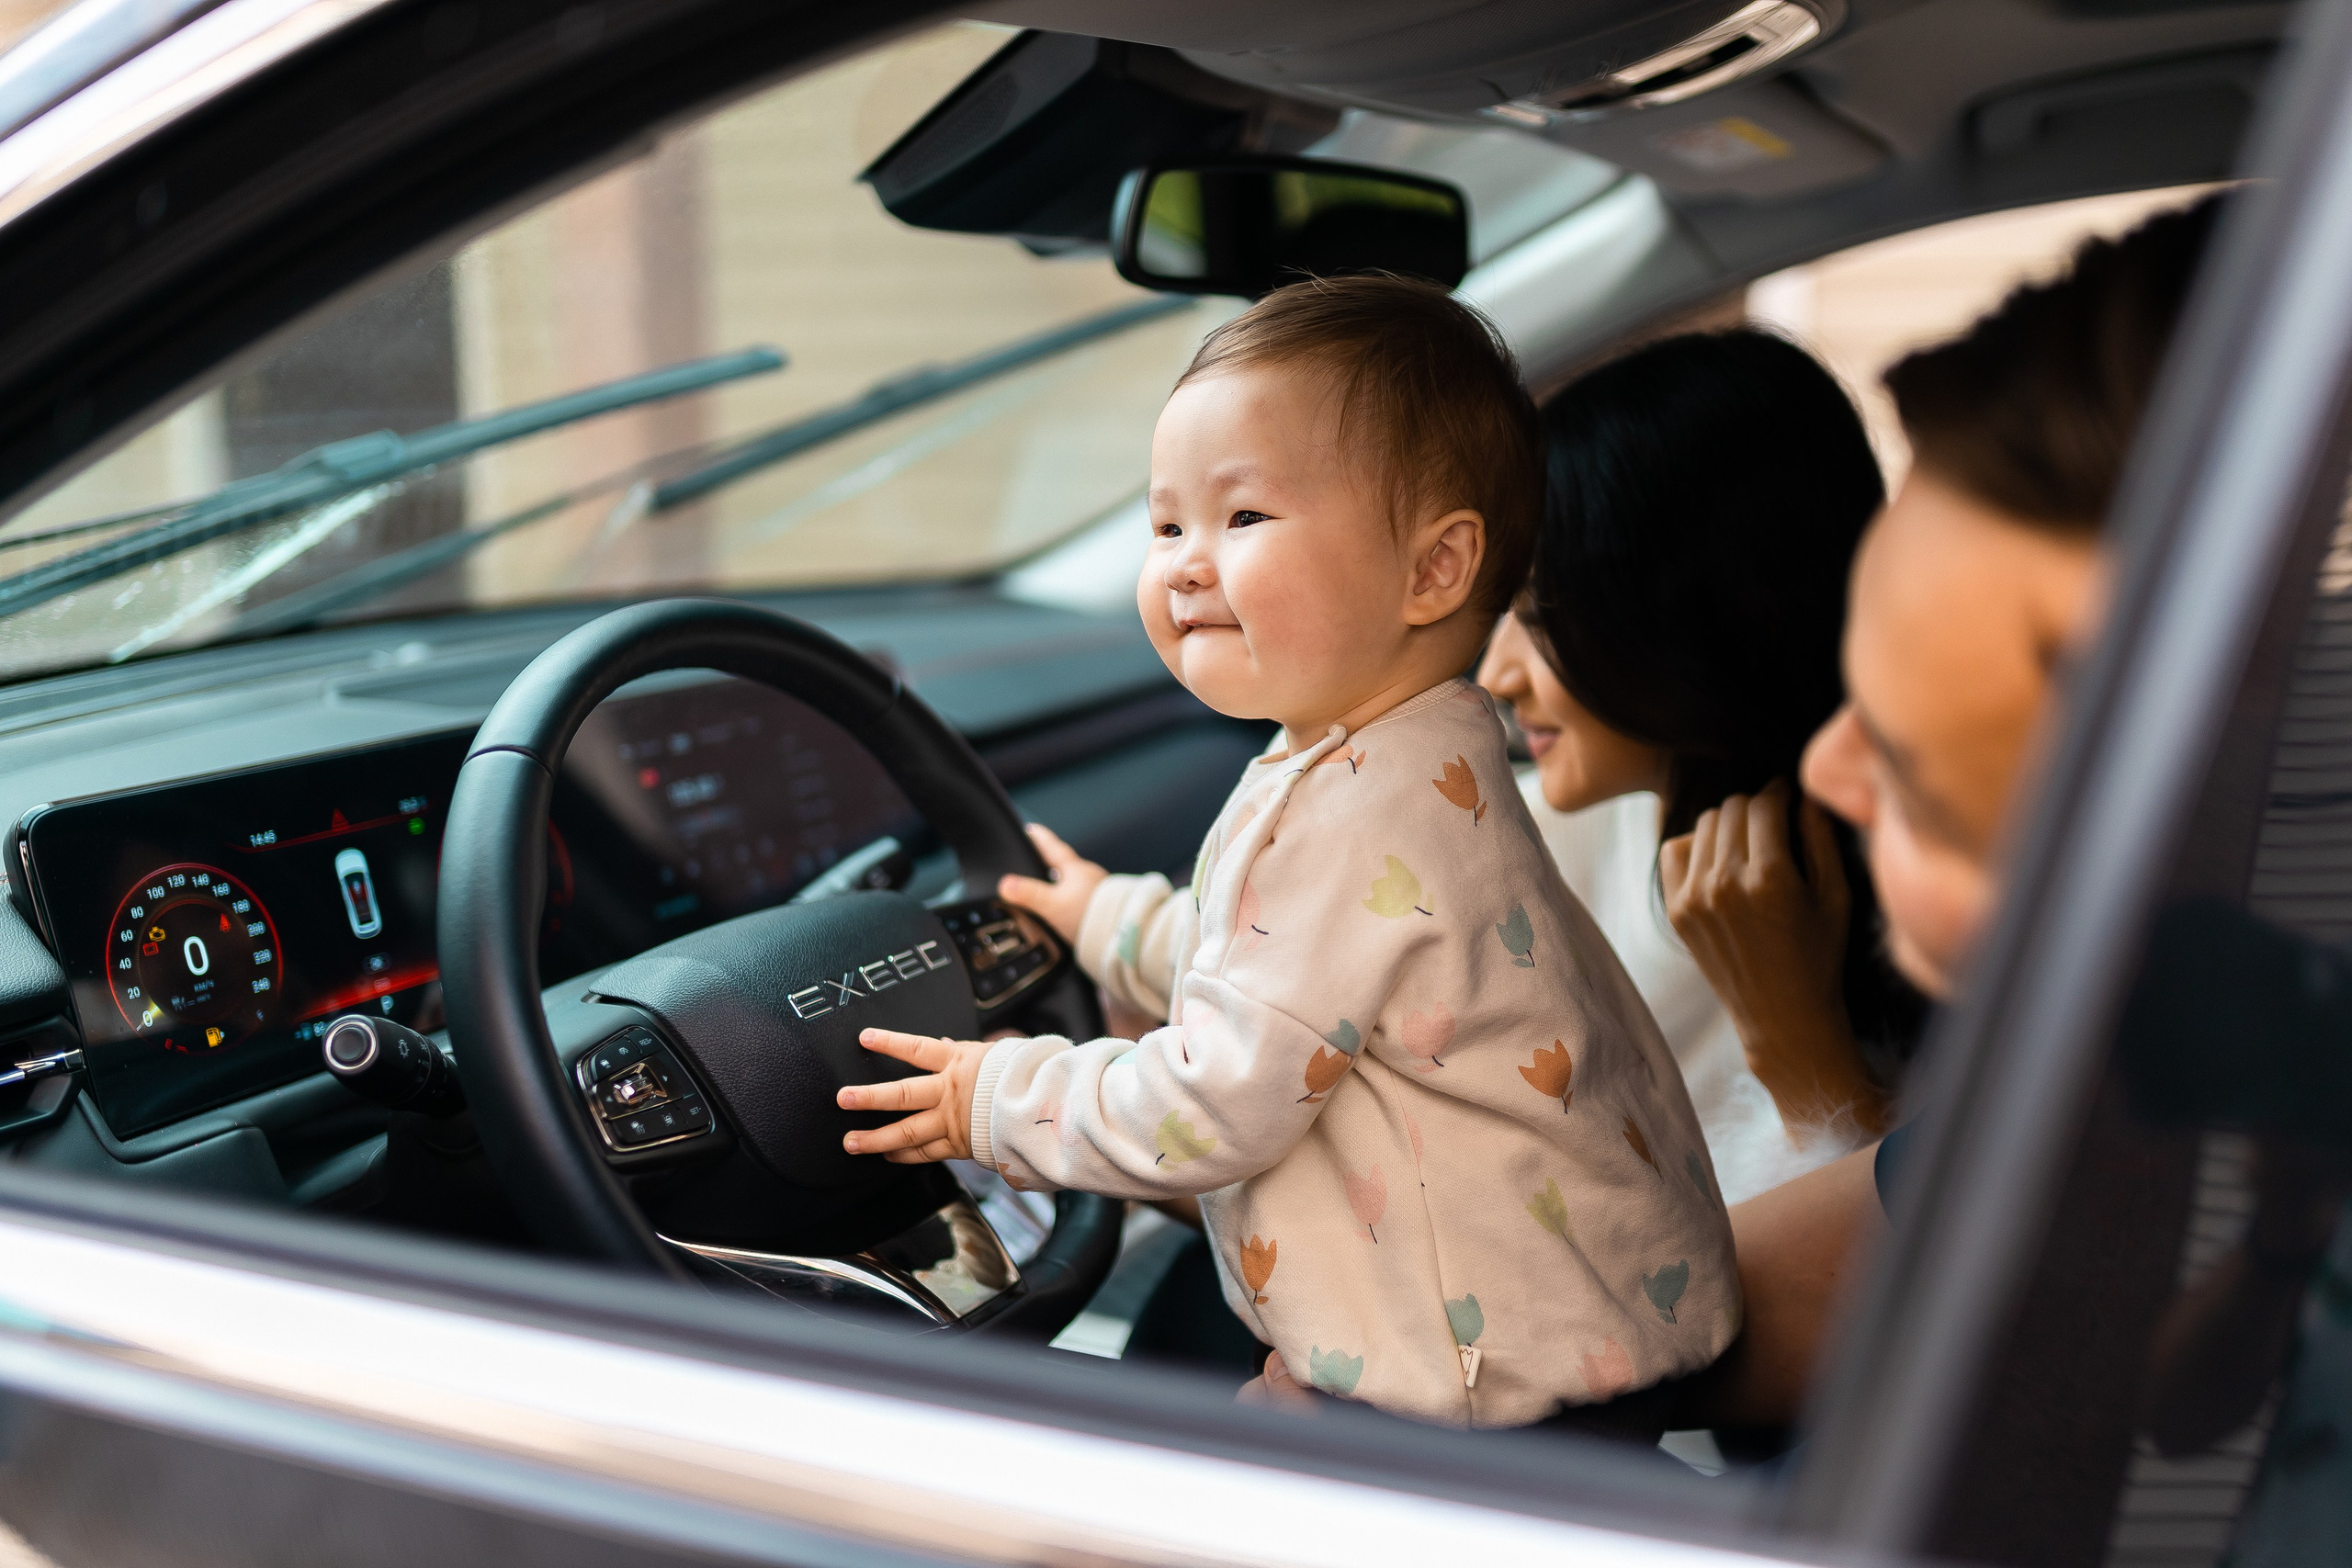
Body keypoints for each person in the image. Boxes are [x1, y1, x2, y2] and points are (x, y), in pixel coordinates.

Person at [837, 275, 1739, 1433]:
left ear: (1432, 571)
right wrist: (1112, 920)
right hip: (1567, 1329)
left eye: (1242, 518)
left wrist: (999, 1099)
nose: (1183, 564)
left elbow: (1216, 1100)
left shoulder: (1353, 810)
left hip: (1474, 1389)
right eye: (1164, 525)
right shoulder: (1414, 759)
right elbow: (1288, 975)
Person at [1684, 194, 2223, 1427]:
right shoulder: (2104, 1094)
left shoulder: (2147, 1124)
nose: (1829, 767)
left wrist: (1801, 1057)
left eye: (1920, 779)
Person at [1478, 331, 1924, 1205]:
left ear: (1685, 620)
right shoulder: (1547, 826)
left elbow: (1893, 1301)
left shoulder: (1924, 921)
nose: (1494, 673)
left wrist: (1802, 1054)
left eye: (1540, 614)